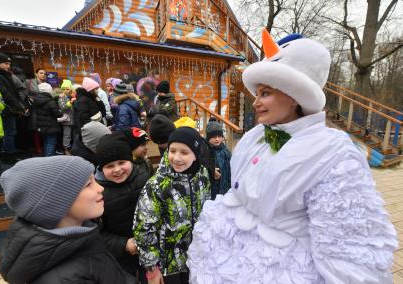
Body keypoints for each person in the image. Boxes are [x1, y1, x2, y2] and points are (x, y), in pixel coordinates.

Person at [186, 30, 397, 283]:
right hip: (228, 261)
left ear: (294, 96)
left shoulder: (331, 155)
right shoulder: (255, 138)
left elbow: (348, 254)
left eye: (266, 93)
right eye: (258, 93)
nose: (255, 103)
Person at [0, 155, 136, 284]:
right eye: (88, 184)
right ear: (56, 202)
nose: (100, 188)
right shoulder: (66, 279)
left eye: (95, 180)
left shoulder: (83, 232)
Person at [133, 127, 211, 284]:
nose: (176, 157)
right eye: (172, 150)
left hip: (196, 258)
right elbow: (143, 227)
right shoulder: (157, 185)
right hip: (167, 265)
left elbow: (207, 211)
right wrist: (151, 268)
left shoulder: (202, 175)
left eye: (184, 152)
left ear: (195, 155)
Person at [95, 133, 150, 280]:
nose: (117, 170)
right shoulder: (97, 191)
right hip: (118, 255)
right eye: (109, 166)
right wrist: (124, 244)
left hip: (148, 247)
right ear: (101, 168)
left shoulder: (143, 177)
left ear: (130, 159)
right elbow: (95, 231)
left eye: (121, 162)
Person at [33, 83, 63, 156]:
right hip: (51, 126)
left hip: (41, 125)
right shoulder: (50, 101)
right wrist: (61, 112)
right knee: (51, 142)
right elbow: (57, 114)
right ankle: (49, 158)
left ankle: (46, 157)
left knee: (46, 141)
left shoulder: (36, 100)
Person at [205, 117, 231, 197]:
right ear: (208, 137)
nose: (217, 139)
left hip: (225, 188)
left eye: (219, 136)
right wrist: (210, 169)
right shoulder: (204, 150)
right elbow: (200, 166)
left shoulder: (226, 151)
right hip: (211, 190)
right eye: (213, 137)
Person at [58, 79, 75, 155]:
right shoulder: (62, 97)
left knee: (73, 135)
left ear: (70, 89)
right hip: (67, 120)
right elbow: (62, 107)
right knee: (67, 135)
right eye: (63, 89)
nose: (65, 90)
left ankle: (73, 148)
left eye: (67, 89)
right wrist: (70, 103)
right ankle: (66, 149)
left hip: (74, 119)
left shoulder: (72, 96)